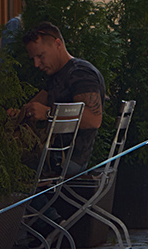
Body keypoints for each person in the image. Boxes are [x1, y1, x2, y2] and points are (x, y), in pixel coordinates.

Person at [17, 21, 105, 172]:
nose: (36, 64)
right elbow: (37, 103)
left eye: (40, 56)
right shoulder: (58, 74)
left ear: (57, 44)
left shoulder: (80, 74)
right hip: (54, 156)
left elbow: (93, 119)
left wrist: (47, 113)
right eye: (33, 58)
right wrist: (19, 113)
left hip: (67, 161)